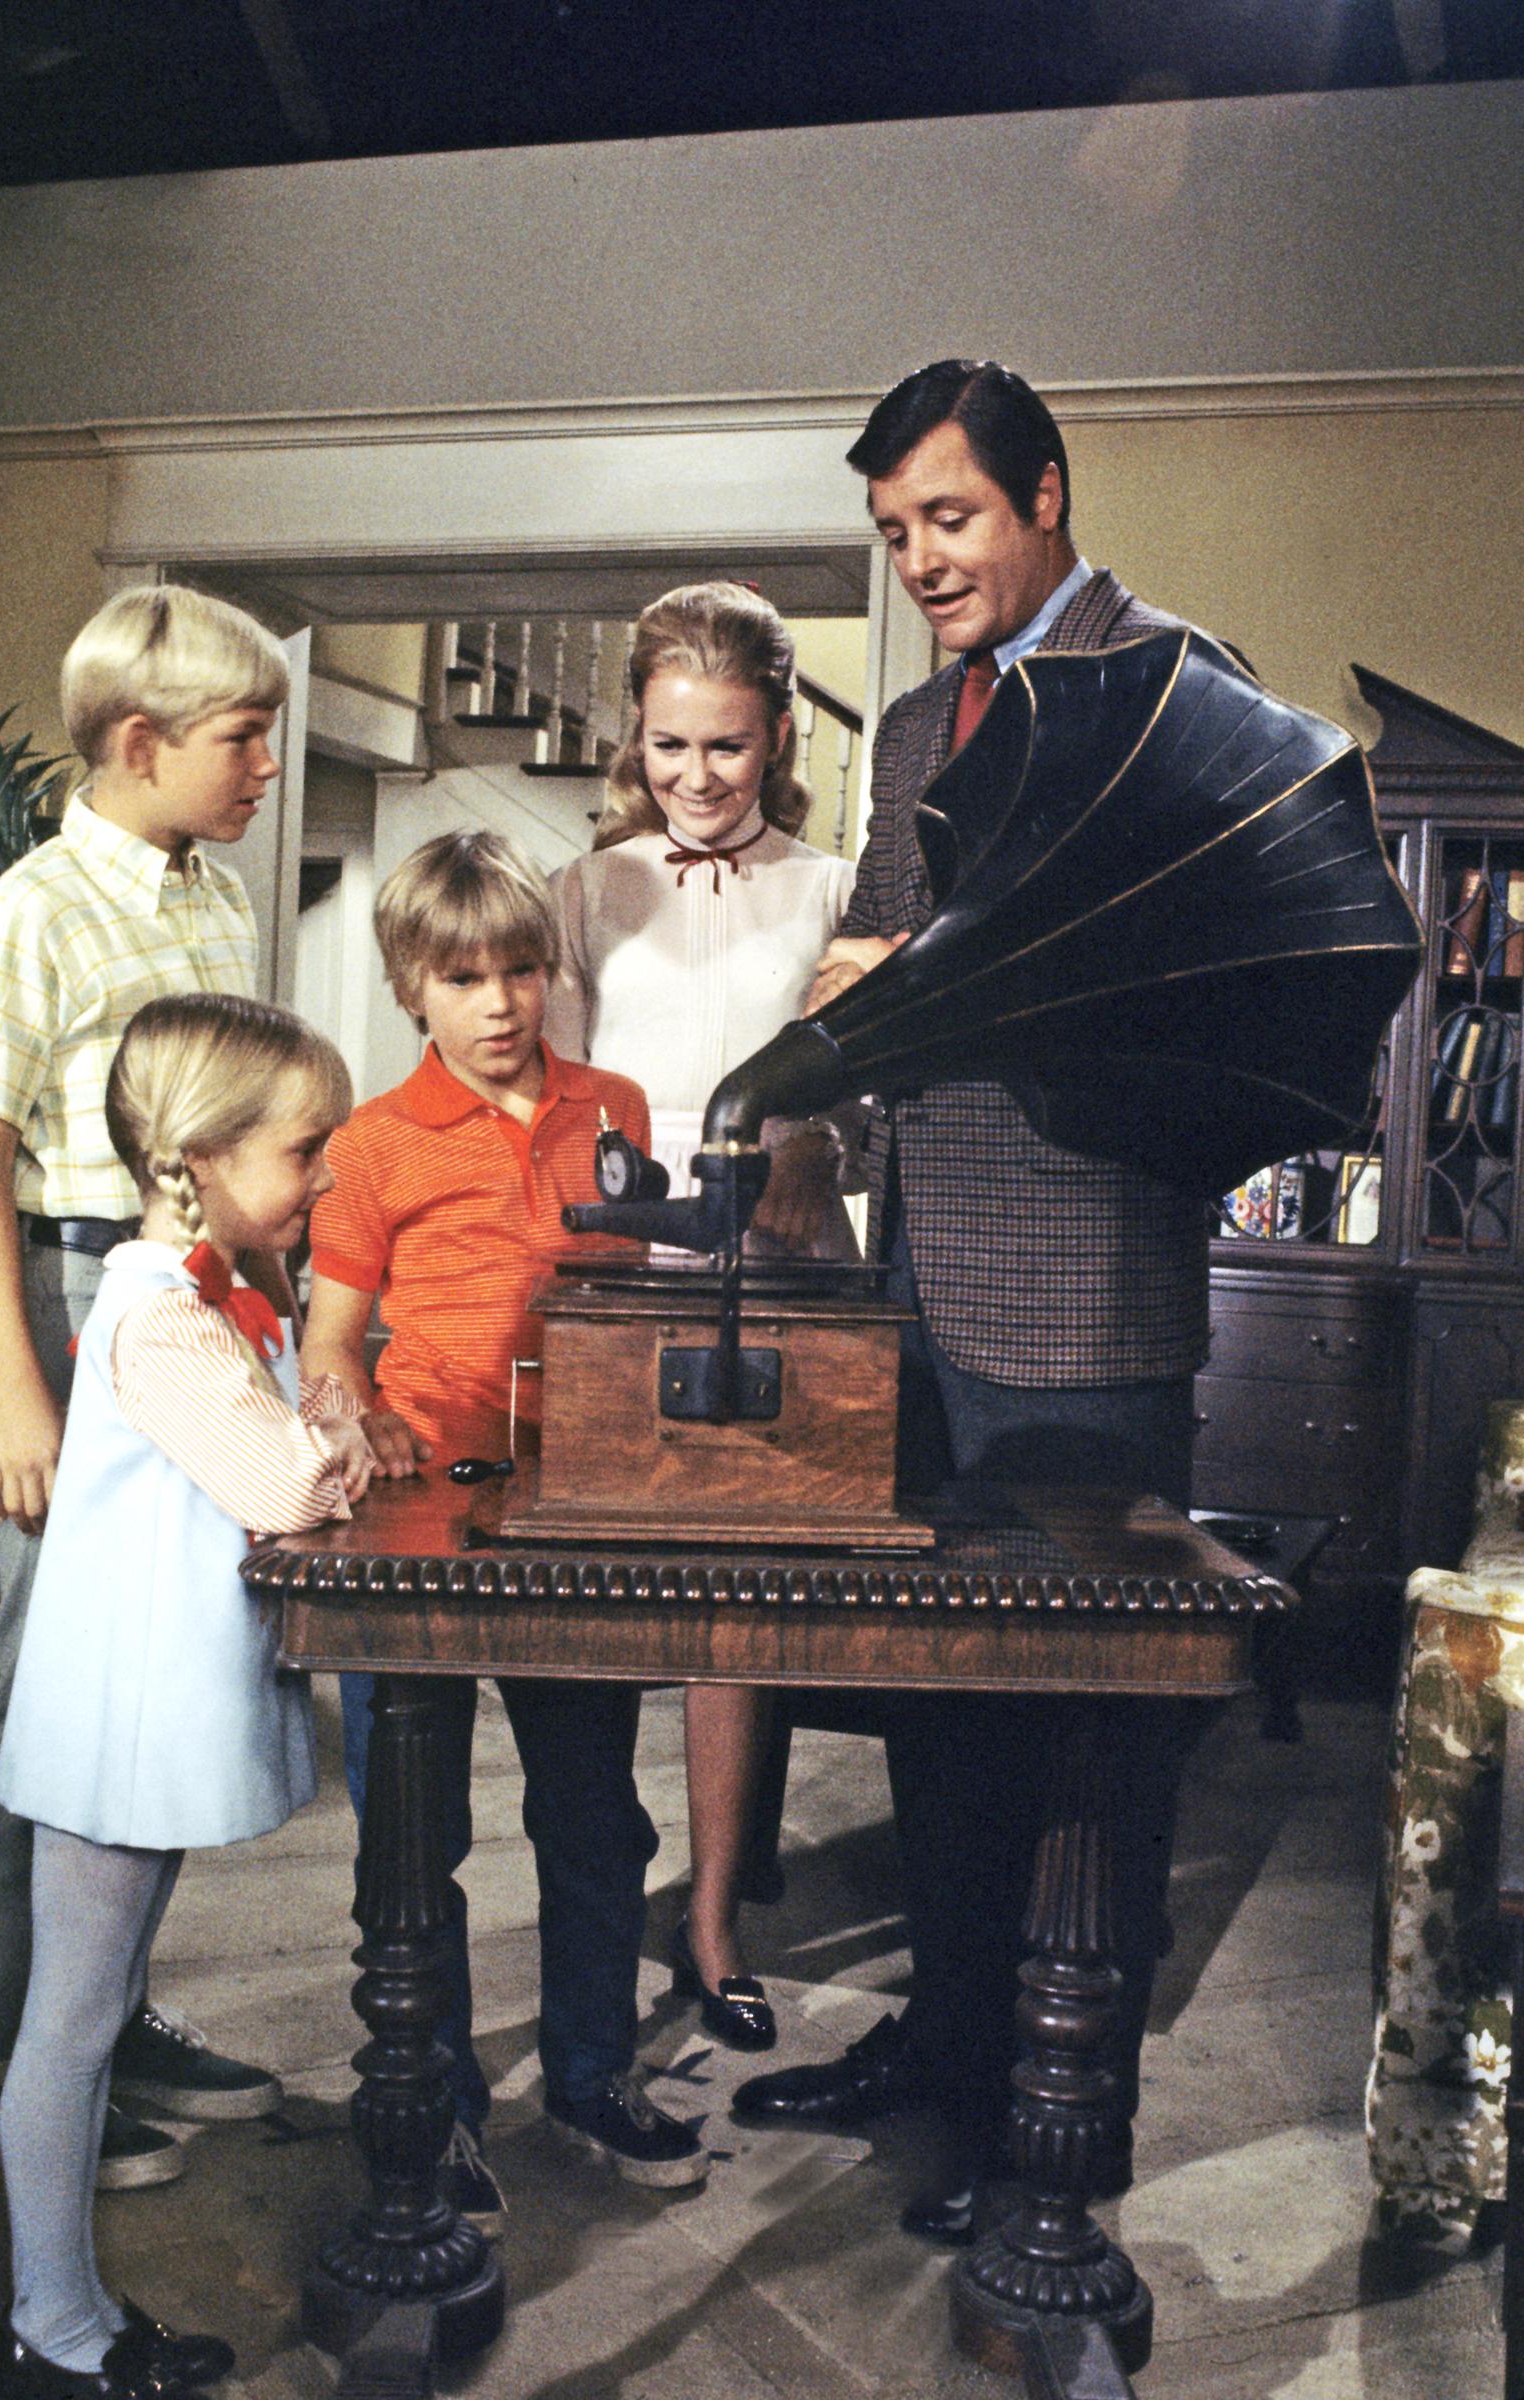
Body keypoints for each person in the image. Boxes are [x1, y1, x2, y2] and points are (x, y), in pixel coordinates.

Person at [732, 359, 1211, 2239]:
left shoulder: (1177, 683)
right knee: (936, 1708)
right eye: (894, 533)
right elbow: (869, 961)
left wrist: (935, 964)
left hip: (1089, 1294)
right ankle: (940, 2044)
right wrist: (797, 1098)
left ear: (1045, 496)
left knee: (1086, 1726)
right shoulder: (920, 721)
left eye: (948, 519)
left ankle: (1048, 2116)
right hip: (917, 1287)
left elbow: (1189, 972)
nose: (919, 560)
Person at [0, 584, 292, 2191]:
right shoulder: (28, 912)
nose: (266, 761)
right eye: (244, 735)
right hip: (78, 1298)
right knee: (39, 1690)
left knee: (148, 1676)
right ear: (139, 743)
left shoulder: (217, 904)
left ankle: (107, 2014)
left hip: (196, 1289)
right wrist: (17, 1388)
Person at [300, 828, 709, 2230]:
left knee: (594, 1813)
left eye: (523, 969)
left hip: (580, 1511)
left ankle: (592, 2071)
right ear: (412, 985)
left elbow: (638, 1304)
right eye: (466, 976)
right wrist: (366, 1420)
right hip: (420, 1517)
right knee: (414, 1832)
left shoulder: (615, 1106)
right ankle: (438, 2104)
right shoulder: (369, 1143)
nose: (500, 1002)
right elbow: (331, 1340)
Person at [0, 993, 371, 2399]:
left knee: (89, 2014)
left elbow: (303, 1443)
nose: (327, 1172)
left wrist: (316, 1432)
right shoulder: (161, 1318)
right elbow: (285, 1480)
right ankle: (52, 2333)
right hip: (114, 1721)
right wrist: (319, 1442)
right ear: (201, 1158)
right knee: (73, 2026)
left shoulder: (221, 1300)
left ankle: (62, 2311)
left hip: (139, 1705)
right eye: (307, 1146)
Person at [545, 580, 858, 2051]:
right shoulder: (585, 888)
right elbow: (544, 1099)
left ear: (780, 730)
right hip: (624, 1264)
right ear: (636, 737)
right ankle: (596, 1916)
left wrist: (817, 1145)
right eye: (670, 746)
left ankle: (718, 1915)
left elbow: (870, 1086)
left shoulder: (836, 888)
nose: (696, 776)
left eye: (727, 747)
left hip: (786, 1268)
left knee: (746, 1611)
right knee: (607, 1602)